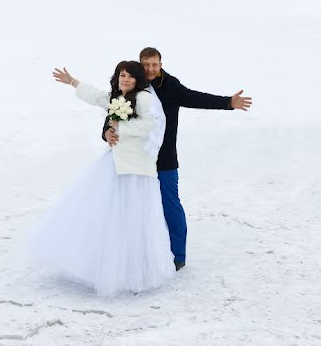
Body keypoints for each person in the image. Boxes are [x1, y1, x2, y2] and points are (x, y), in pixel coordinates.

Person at [27, 60, 175, 296]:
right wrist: (73, 82)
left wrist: (119, 128)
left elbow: (150, 125)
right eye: (121, 75)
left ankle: (134, 272)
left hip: (136, 168)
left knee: (134, 221)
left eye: (129, 76)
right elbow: (98, 97)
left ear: (138, 80)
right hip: (117, 162)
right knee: (109, 216)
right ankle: (102, 266)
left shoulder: (144, 99)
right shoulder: (119, 98)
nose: (124, 80)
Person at [102, 47, 252, 270]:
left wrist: (228, 102)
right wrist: (106, 131)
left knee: (170, 205)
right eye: (146, 65)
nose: (150, 69)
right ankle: (137, 254)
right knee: (133, 208)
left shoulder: (169, 85)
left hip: (163, 159)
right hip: (134, 159)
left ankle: (177, 255)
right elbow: (114, 112)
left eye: (155, 64)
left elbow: (193, 97)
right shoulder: (132, 83)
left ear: (161, 65)